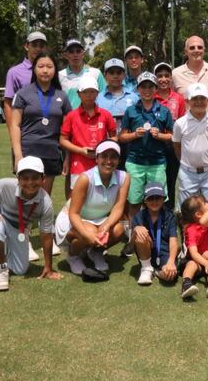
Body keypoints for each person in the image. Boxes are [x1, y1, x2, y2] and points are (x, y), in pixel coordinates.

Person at [0, 156, 61, 291]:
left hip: (18, 227)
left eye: (35, 178)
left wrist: (48, 268)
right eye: (25, 178)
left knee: (21, 269)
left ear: (43, 179)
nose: (30, 182)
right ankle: (0, 271)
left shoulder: (46, 203)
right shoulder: (5, 184)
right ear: (18, 179)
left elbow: (46, 235)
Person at [54, 140, 129, 276]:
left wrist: (106, 226)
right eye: (104, 156)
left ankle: (96, 252)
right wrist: (86, 233)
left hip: (98, 219)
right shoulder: (85, 179)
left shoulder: (124, 177)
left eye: (113, 157)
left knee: (118, 229)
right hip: (71, 219)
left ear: (118, 160)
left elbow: (118, 207)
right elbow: (74, 213)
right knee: (90, 232)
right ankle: (73, 256)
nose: (108, 161)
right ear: (97, 159)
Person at [9, 52, 71, 196]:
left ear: (54, 70)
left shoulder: (62, 96)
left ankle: (42, 219)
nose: (45, 70)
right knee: (25, 195)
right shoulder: (23, 94)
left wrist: (67, 156)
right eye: (41, 66)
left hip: (51, 152)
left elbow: (67, 131)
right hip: (27, 151)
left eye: (49, 66)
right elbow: (15, 126)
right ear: (34, 69)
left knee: (44, 197)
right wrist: (18, 155)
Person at [118, 72, 173, 224]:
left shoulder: (164, 111)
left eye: (150, 86)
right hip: (135, 163)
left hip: (157, 163)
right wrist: (135, 134)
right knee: (134, 202)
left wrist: (160, 136)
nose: (147, 90)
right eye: (143, 87)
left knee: (158, 200)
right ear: (138, 89)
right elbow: (122, 137)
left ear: (156, 89)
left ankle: (158, 234)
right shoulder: (131, 110)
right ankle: (133, 237)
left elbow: (172, 136)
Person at [59, 76, 117, 194]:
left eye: (92, 92)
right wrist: (81, 150)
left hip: (102, 163)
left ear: (97, 93)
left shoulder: (106, 115)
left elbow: (114, 136)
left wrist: (104, 150)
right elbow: (63, 140)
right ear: (79, 94)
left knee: (99, 197)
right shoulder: (71, 116)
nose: (89, 95)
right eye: (85, 92)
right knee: (76, 197)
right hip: (78, 163)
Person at [173, 83, 208, 207]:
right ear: (187, 101)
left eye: (202, 98)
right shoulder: (180, 123)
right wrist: (188, 162)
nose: (199, 102)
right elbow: (177, 146)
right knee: (187, 210)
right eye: (194, 99)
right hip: (188, 173)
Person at [131, 182, 179, 286]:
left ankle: (157, 272)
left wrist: (171, 261)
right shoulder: (139, 216)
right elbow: (131, 244)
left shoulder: (170, 216)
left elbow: (173, 240)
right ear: (145, 200)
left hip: (164, 252)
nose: (154, 201)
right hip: (146, 251)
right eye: (150, 198)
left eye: (158, 198)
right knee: (140, 233)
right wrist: (136, 229)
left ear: (163, 199)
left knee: (171, 275)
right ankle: (146, 268)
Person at [153, 61, 187, 211]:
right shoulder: (151, 97)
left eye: (167, 75)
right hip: (155, 145)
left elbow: (182, 121)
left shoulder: (178, 98)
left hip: (173, 146)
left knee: (171, 180)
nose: (163, 79)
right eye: (159, 76)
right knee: (157, 181)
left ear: (171, 78)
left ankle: (169, 213)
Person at [97, 58, 138, 169]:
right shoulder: (98, 98)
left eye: (119, 72)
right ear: (105, 75)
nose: (115, 76)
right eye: (111, 72)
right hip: (106, 146)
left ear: (124, 75)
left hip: (130, 147)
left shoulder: (134, 97)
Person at [180, 195, 208, 299]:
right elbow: (193, 253)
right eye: (205, 203)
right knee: (192, 264)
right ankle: (186, 284)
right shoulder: (191, 230)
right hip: (194, 261)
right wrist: (206, 263)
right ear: (198, 214)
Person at [3, 31, 47, 132]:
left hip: (48, 131)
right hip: (24, 131)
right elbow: (8, 104)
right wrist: (12, 132)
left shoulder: (50, 71)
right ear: (27, 46)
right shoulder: (14, 72)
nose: (38, 49)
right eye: (34, 45)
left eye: (41, 46)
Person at [58, 39, 106, 109]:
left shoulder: (96, 73)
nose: (75, 55)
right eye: (71, 52)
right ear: (65, 55)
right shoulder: (59, 76)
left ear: (83, 54)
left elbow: (104, 97)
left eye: (78, 51)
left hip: (93, 118)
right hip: (68, 118)